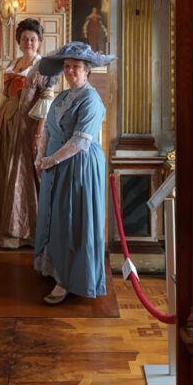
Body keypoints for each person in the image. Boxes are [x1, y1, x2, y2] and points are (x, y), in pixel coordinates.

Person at [32, 41, 116, 304]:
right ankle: (53, 267)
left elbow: (80, 142)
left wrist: (51, 160)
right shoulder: (61, 97)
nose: (70, 71)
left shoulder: (91, 100)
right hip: (55, 164)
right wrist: (40, 157)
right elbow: (48, 129)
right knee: (55, 215)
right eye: (67, 66)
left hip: (79, 166)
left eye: (75, 67)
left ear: (87, 70)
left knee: (71, 219)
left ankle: (69, 279)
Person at [0, 18, 57, 249]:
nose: (28, 43)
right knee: (2, 169)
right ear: (19, 42)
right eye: (24, 39)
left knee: (22, 173)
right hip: (5, 125)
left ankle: (22, 229)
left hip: (27, 128)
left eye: (32, 39)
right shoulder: (14, 63)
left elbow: (46, 101)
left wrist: (38, 134)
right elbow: (3, 95)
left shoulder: (44, 67)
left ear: (39, 42)